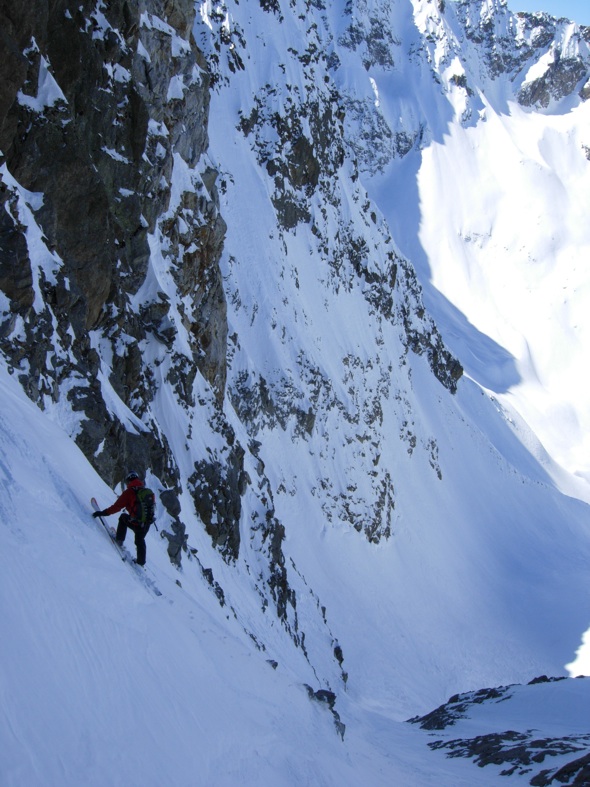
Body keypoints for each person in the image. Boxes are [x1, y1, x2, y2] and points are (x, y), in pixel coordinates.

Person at [93, 472, 154, 566]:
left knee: (123, 518)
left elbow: (117, 507)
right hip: (147, 523)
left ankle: (119, 540)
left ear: (129, 481)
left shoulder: (129, 492)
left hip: (137, 522)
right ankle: (141, 561)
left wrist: (103, 513)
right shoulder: (146, 491)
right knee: (140, 540)